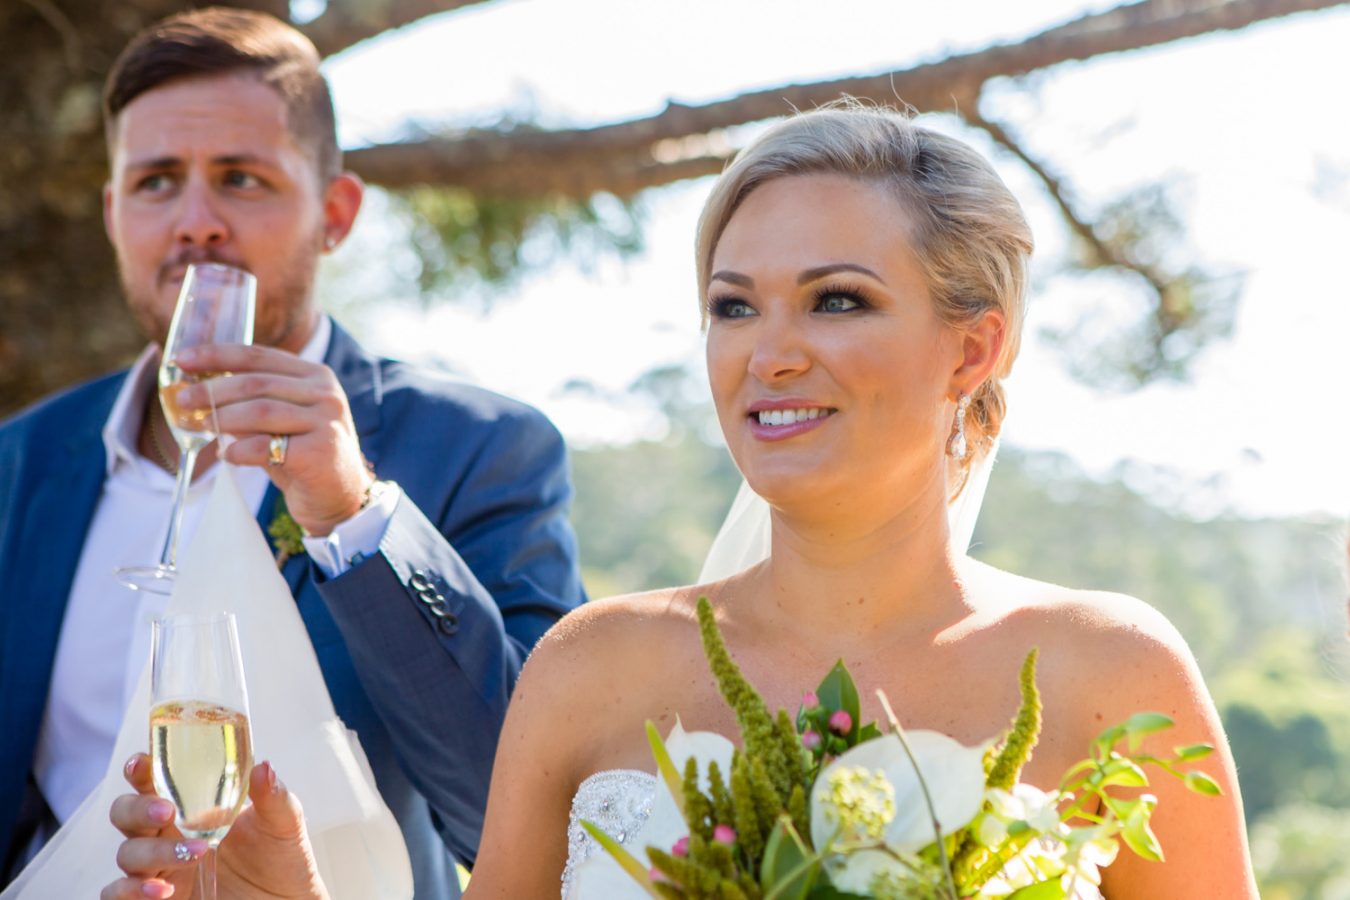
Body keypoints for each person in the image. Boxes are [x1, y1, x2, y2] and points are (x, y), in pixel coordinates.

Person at [102, 103, 1257, 898]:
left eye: (838, 300)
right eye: (733, 306)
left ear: (972, 350)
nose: (770, 353)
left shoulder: (1113, 675)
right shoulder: (592, 669)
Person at [0, 8, 585, 898]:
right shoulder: (18, 464)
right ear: (114, 214)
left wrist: (352, 515)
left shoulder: (480, 451)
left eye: (241, 178)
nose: (196, 221)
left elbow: (530, 823)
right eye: (157, 181)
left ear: (334, 214)